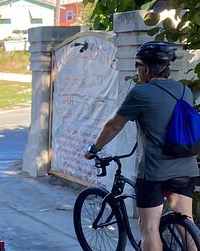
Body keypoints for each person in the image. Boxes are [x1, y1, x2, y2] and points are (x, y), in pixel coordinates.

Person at [84, 41, 199, 251]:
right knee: (186, 223)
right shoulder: (184, 90)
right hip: (187, 168)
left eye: (137, 65)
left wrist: (94, 149)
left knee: (149, 228)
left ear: (145, 68)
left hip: (155, 171)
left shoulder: (141, 93)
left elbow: (113, 126)